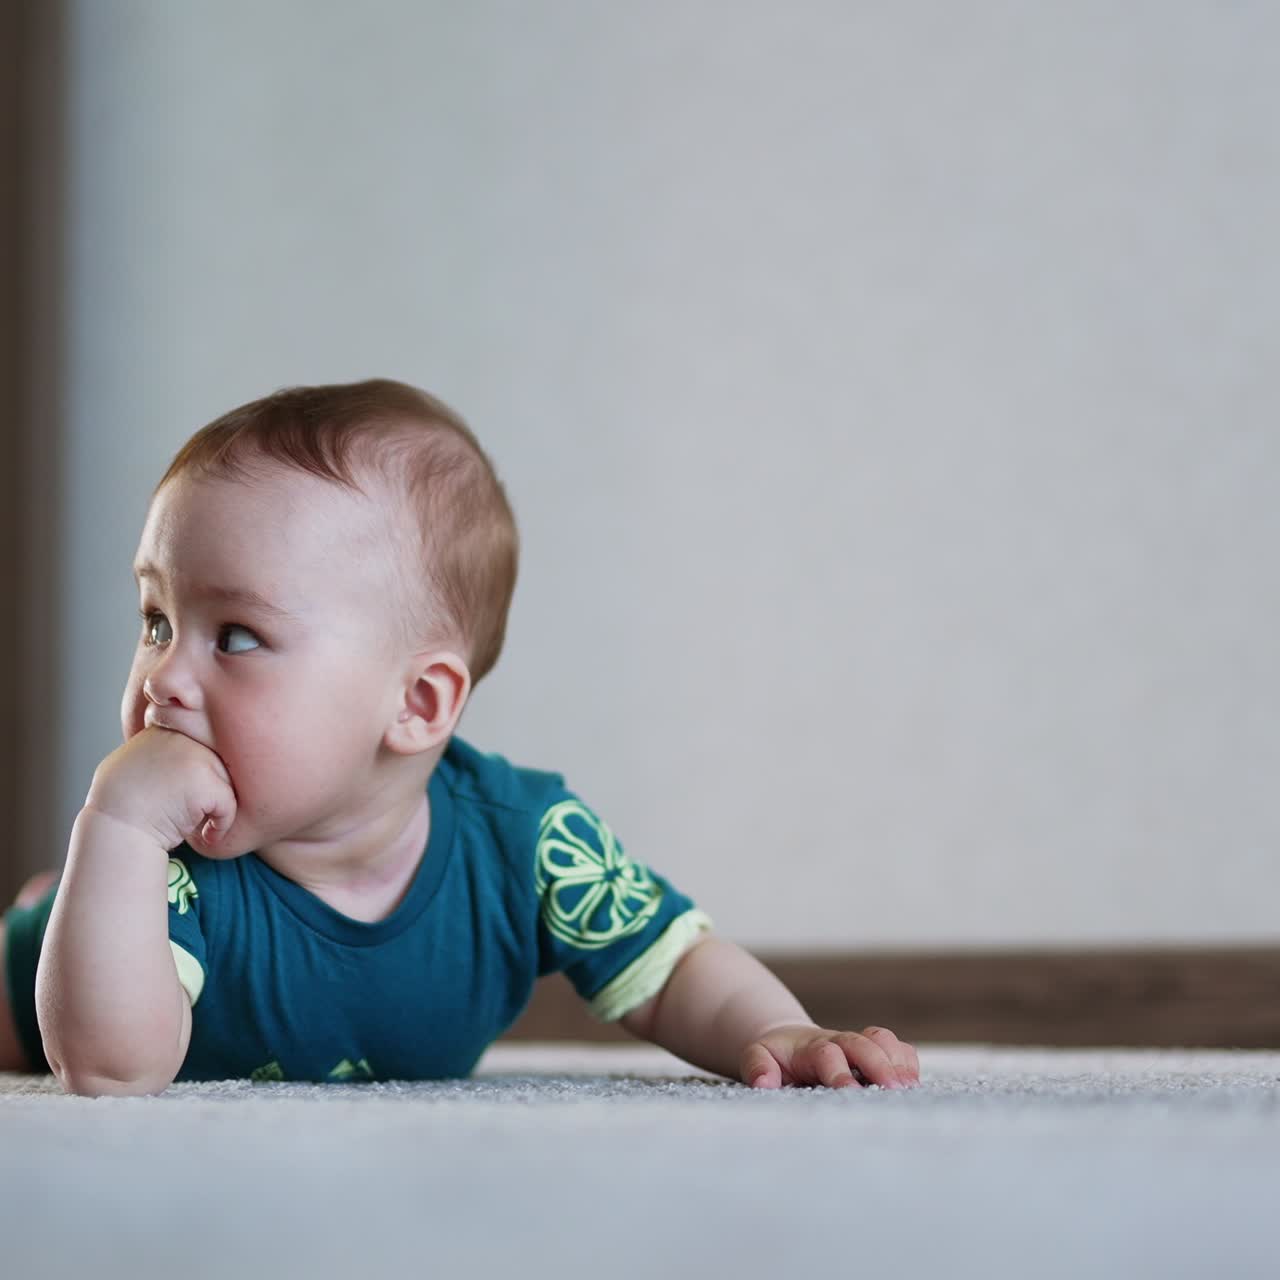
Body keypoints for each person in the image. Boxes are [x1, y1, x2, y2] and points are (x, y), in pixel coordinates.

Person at [0, 378, 921, 1096]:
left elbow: (673, 967)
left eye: (235, 636)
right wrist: (118, 829)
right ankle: (45, 915)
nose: (162, 677)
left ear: (417, 703)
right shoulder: (162, 859)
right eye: (157, 620)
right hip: (53, 977)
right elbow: (110, 1070)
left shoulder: (525, 840)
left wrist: (779, 1030)